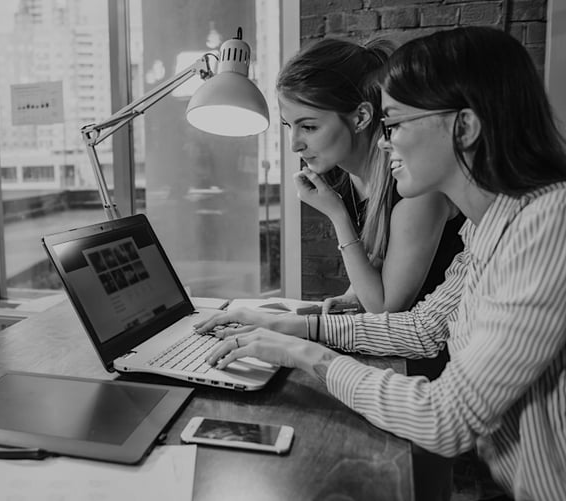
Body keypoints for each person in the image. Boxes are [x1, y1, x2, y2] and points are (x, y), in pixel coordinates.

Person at [196, 26, 566, 500]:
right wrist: (296, 329)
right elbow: (423, 328)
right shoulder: (487, 226)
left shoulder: (547, 225)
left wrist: (305, 354)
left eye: (395, 125)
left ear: (465, 126)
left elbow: (445, 418)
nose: (386, 144)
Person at [276, 38, 464, 318]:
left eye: (309, 126)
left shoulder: (417, 186)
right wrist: (350, 297)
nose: (294, 145)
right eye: (289, 126)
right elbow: (376, 267)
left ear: (361, 117)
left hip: (439, 350)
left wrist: (337, 214)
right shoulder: (342, 175)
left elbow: (385, 305)